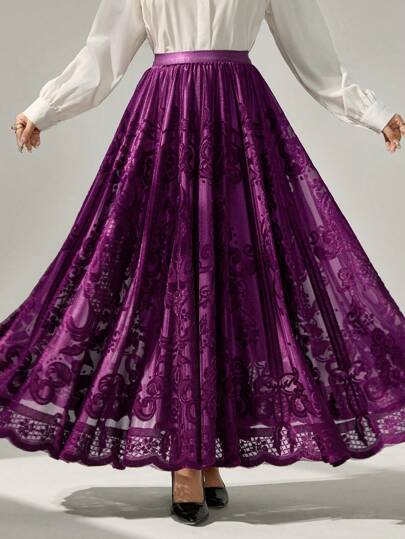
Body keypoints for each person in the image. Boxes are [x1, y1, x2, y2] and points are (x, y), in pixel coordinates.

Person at [3, 0, 405, 527]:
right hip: (167, 123)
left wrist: (373, 113)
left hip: (237, 122)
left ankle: (205, 452)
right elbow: (102, 54)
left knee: (234, 283)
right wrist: (44, 109)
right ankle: (187, 462)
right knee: (174, 282)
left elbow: (313, 54)